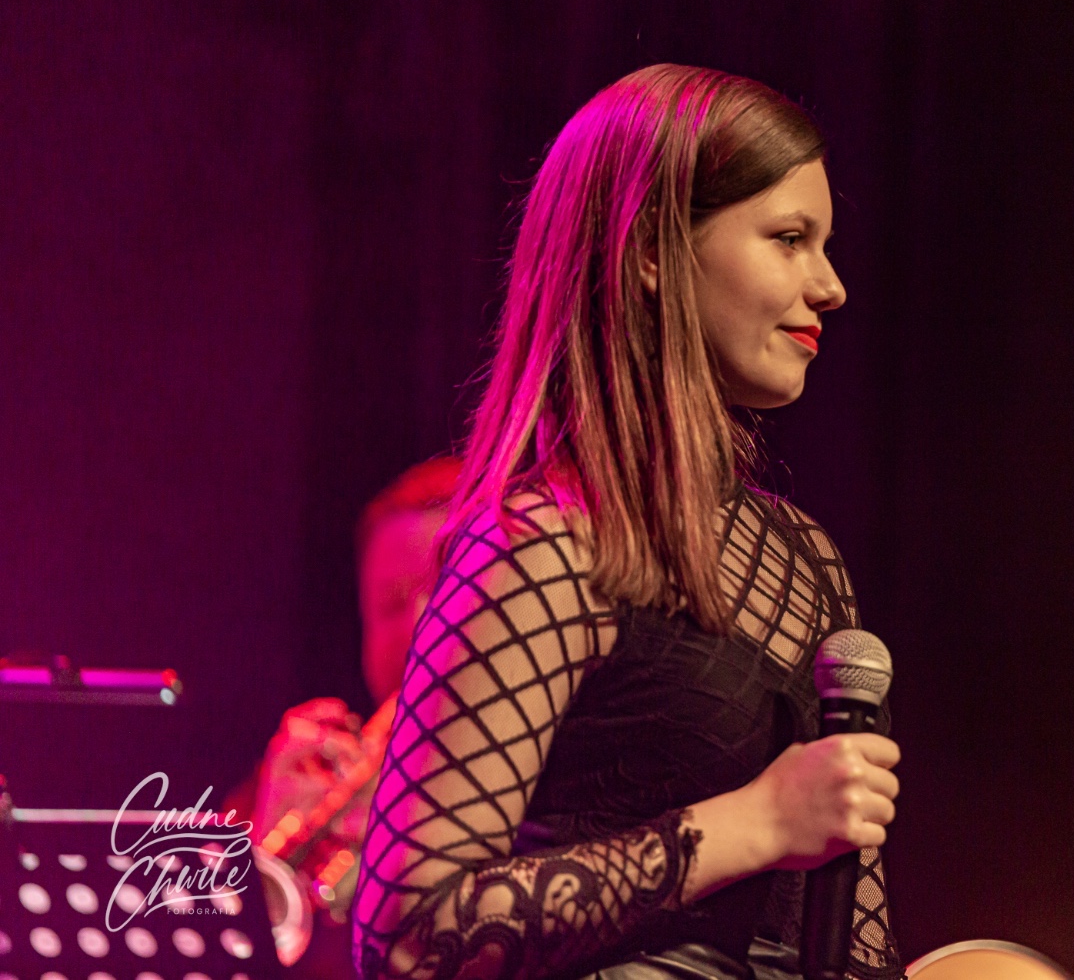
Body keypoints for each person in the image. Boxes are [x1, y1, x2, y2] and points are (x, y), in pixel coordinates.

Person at [351, 64, 904, 980]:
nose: (831, 285)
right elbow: (408, 933)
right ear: (651, 248)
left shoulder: (808, 562)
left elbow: (858, 944)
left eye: (825, 245)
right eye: (789, 239)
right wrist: (757, 822)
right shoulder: (543, 541)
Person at [232, 457, 462, 978]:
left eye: (446, 597)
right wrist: (263, 840)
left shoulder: (555, 787)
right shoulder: (310, 767)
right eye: (393, 603)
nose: (421, 624)